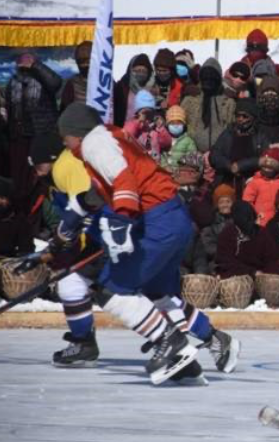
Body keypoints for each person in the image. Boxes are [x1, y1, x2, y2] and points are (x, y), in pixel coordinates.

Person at [47, 103, 240, 384]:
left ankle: (170, 344)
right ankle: (197, 353)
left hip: (157, 222)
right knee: (154, 294)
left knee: (112, 290)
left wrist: (120, 221)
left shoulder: (93, 143)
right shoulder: (109, 139)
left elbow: (124, 181)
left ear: (76, 133)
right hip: (171, 218)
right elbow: (99, 192)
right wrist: (69, 223)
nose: (64, 142)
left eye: (65, 135)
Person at [5, 52, 62, 210]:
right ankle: (19, 211)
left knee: (41, 178)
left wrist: (36, 65)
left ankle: (44, 212)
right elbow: (10, 108)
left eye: (28, 61)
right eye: (21, 62)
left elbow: (56, 82)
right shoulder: (13, 82)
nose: (24, 64)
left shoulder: (44, 81)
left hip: (41, 136)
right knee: (20, 178)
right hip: (19, 138)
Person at [181, 58, 236, 153]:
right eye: (205, 78)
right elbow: (179, 122)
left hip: (220, 155)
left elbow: (232, 128)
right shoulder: (190, 100)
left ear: (218, 80)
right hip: (192, 153)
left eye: (213, 78)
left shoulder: (228, 103)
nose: (209, 81)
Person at [123, 90, 172, 163]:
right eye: (145, 113)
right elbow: (126, 137)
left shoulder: (155, 129)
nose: (148, 117)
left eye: (151, 113)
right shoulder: (132, 125)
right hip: (140, 166)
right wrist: (138, 122)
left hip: (155, 166)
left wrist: (161, 129)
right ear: (137, 113)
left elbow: (167, 143)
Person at [242, 146, 279, 226]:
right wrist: (254, 216)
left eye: (271, 167)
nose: (267, 169)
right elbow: (247, 201)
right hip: (261, 220)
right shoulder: (255, 182)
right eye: (265, 166)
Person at [113, 54, 154, 127]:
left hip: (146, 132)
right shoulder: (122, 87)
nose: (140, 74)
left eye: (143, 71)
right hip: (125, 130)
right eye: (137, 70)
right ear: (130, 70)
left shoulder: (153, 88)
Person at [160, 105, 197, 174]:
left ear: (184, 124)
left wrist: (180, 169)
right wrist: (164, 166)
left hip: (180, 175)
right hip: (165, 173)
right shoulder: (164, 139)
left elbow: (192, 159)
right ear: (167, 125)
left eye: (179, 122)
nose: (176, 125)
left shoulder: (188, 141)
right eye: (172, 123)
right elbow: (161, 155)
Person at [60, 41, 92, 112]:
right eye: (81, 61)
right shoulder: (72, 83)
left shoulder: (108, 83)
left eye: (88, 60)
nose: (85, 64)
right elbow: (65, 111)